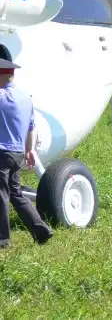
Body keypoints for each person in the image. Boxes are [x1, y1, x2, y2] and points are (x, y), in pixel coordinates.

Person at [0, 58, 53, 249]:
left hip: (1, 152)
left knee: (2, 194)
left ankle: (2, 240)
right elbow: (31, 127)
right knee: (16, 194)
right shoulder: (25, 98)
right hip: (17, 153)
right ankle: (41, 230)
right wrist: (29, 150)